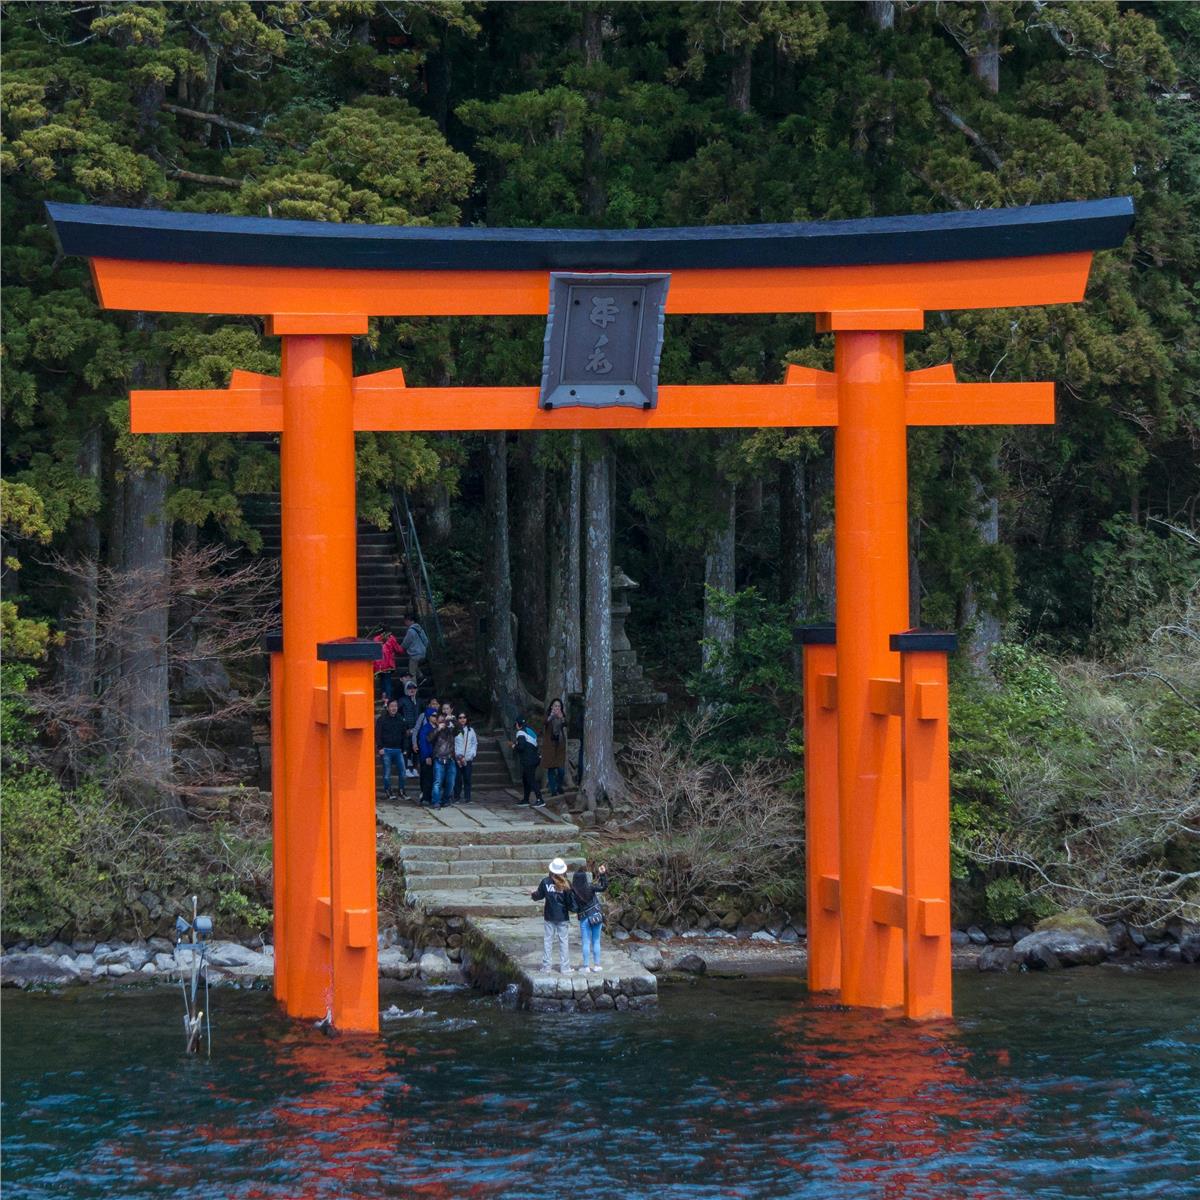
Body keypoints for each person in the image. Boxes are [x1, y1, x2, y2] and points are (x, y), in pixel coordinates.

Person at [531, 857, 575, 973]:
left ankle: (546, 966)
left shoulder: (545, 882)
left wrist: (532, 894)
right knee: (563, 941)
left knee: (548, 941)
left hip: (549, 915)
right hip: (563, 916)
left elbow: (538, 896)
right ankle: (565, 967)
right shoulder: (567, 884)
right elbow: (570, 902)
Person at [571, 863, 609, 973]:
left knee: (586, 942)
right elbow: (603, 887)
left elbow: (573, 908)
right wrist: (602, 874)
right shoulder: (590, 886)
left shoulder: (573, 892)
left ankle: (586, 966)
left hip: (584, 919)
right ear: (585, 878)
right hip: (596, 916)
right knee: (596, 941)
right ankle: (597, 966)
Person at [374, 697, 408, 800]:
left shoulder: (401, 719)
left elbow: (404, 735)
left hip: (398, 749)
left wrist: (404, 748)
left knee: (403, 772)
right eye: (392, 706)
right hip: (386, 749)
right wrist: (380, 747)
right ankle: (388, 790)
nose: (394, 708)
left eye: (395, 706)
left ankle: (401, 790)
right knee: (386, 773)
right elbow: (378, 734)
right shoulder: (382, 719)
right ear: (388, 707)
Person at [512, 716, 544, 808]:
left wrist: (514, 746)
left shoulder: (520, 733)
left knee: (530, 780)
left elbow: (521, 747)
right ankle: (526, 799)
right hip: (535, 758)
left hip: (528, 760)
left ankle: (540, 799)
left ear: (518, 725)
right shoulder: (530, 731)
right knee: (526, 779)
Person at [430, 711, 458, 809]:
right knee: (437, 782)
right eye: (441, 720)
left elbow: (459, 730)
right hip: (439, 759)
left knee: (451, 782)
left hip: (450, 759)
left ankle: (446, 800)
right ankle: (436, 802)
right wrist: (438, 729)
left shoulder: (451, 730)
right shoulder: (435, 730)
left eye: (444, 720)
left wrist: (453, 719)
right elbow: (429, 739)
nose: (443, 722)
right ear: (437, 722)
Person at [415, 697, 439, 806]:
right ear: (429, 717)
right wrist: (427, 756)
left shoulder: (438, 727)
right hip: (428, 757)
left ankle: (432, 797)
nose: (435, 717)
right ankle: (425, 797)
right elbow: (424, 744)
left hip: (436, 756)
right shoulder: (425, 728)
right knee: (427, 778)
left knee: (434, 778)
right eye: (433, 716)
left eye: (436, 715)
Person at [543, 698, 568, 796]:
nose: (557, 708)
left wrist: (561, 717)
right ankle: (553, 791)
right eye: (555, 705)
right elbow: (544, 722)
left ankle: (559, 786)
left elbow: (566, 724)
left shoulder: (562, 715)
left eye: (559, 706)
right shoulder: (548, 715)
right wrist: (551, 716)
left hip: (560, 745)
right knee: (551, 769)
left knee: (561, 770)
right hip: (550, 745)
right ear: (552, 706)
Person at [453, 711, 477, 804]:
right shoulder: (455, 730)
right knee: (457, 779)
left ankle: (468, 797)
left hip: (468, 758)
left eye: (464, 717)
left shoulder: (471, 730)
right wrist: (456, 755)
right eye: (460, 717)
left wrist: (472, 754)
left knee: (467, 778)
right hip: (458, 758)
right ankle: (457, 797)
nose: (462, 719)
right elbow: (453, 743)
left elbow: (474, 743)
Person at [398, 679, 420, 779]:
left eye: (414, 688)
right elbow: (397, 714)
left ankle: (415, 768)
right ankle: (406, 769)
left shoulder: (418, 701)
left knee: (415, 749)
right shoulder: (402, 700)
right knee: (406, 749)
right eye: (409, 688)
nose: (412, 690)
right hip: (405, 730)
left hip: (416, 729)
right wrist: (404, 726)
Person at [372, 630, 402, 701]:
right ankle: (388, 698)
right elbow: (398, 649)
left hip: (378, 665)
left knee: (382, 681)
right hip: (388, 664)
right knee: (387, 681)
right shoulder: (391, 638)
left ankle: (383, 696)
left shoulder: (375, 639)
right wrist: (402, 649)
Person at [400, 615, 430, 684]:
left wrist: (400, 648)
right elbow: (426, 641)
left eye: (406, 621)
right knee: (415, 666)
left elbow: (406, 643)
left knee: (411, 673)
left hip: (415, 654)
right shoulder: (420, 629)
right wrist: (422, 649)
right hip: (422, 653)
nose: (405, 623)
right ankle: (421, 677)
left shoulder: (410, 631)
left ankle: (413, 690)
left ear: (409, 621)